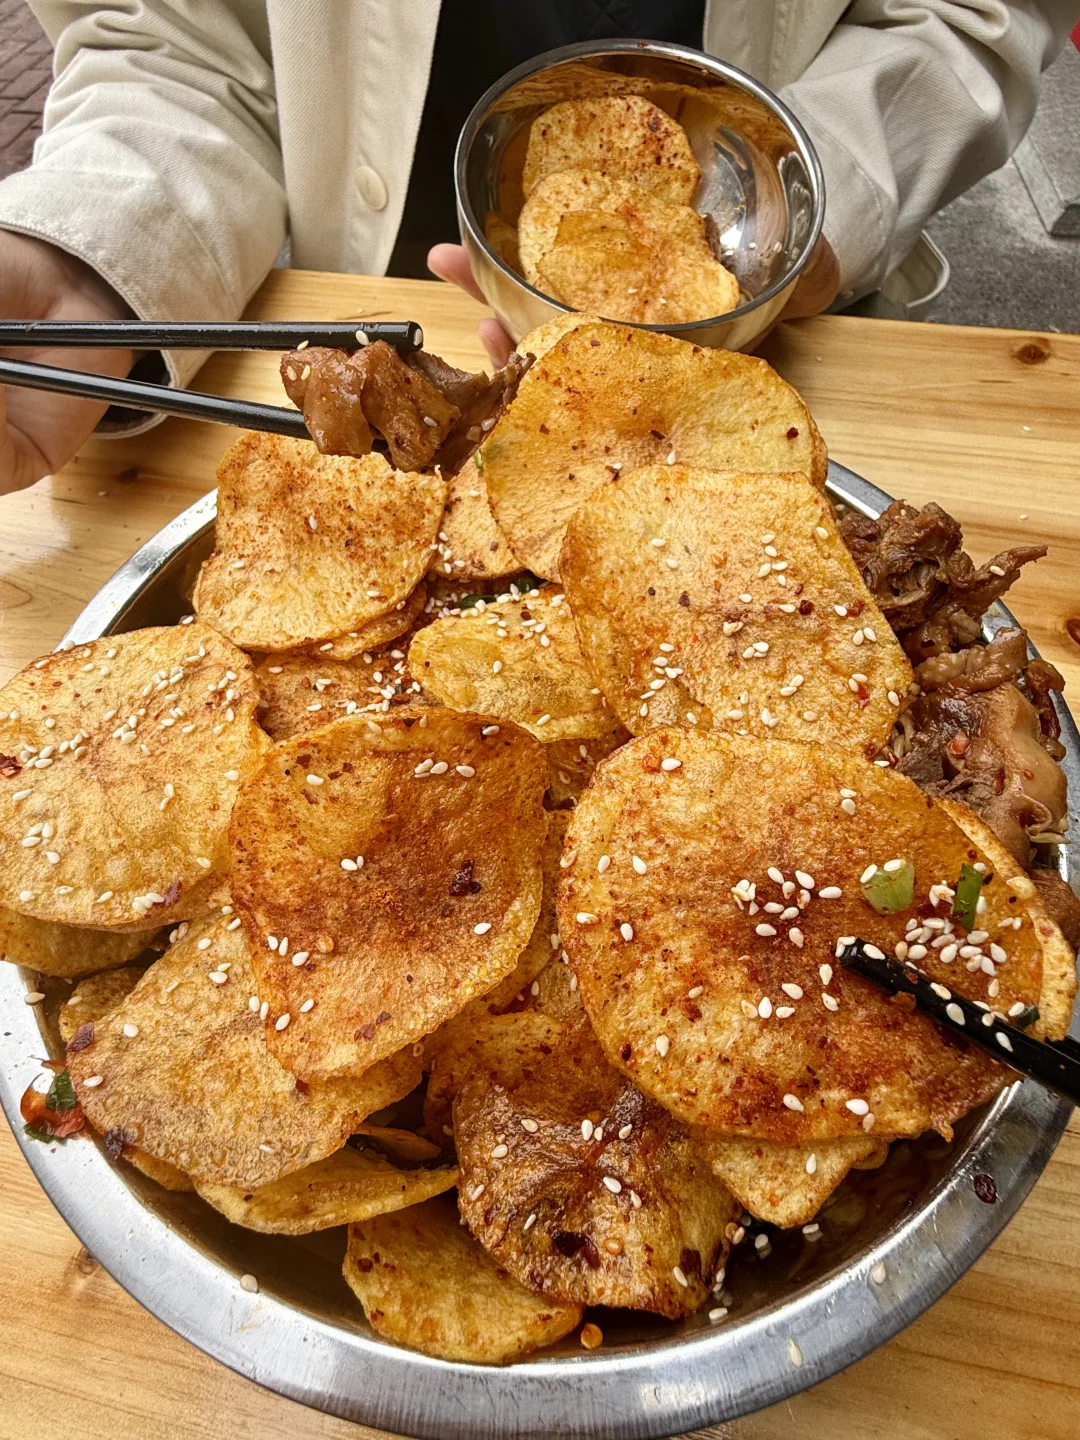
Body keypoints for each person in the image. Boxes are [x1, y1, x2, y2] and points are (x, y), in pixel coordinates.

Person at [0, 0, 1075, 495]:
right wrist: (91, 257)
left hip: (777, 314)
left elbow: (972, 12)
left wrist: (814, 201)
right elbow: (171, 38)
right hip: (373, 298)